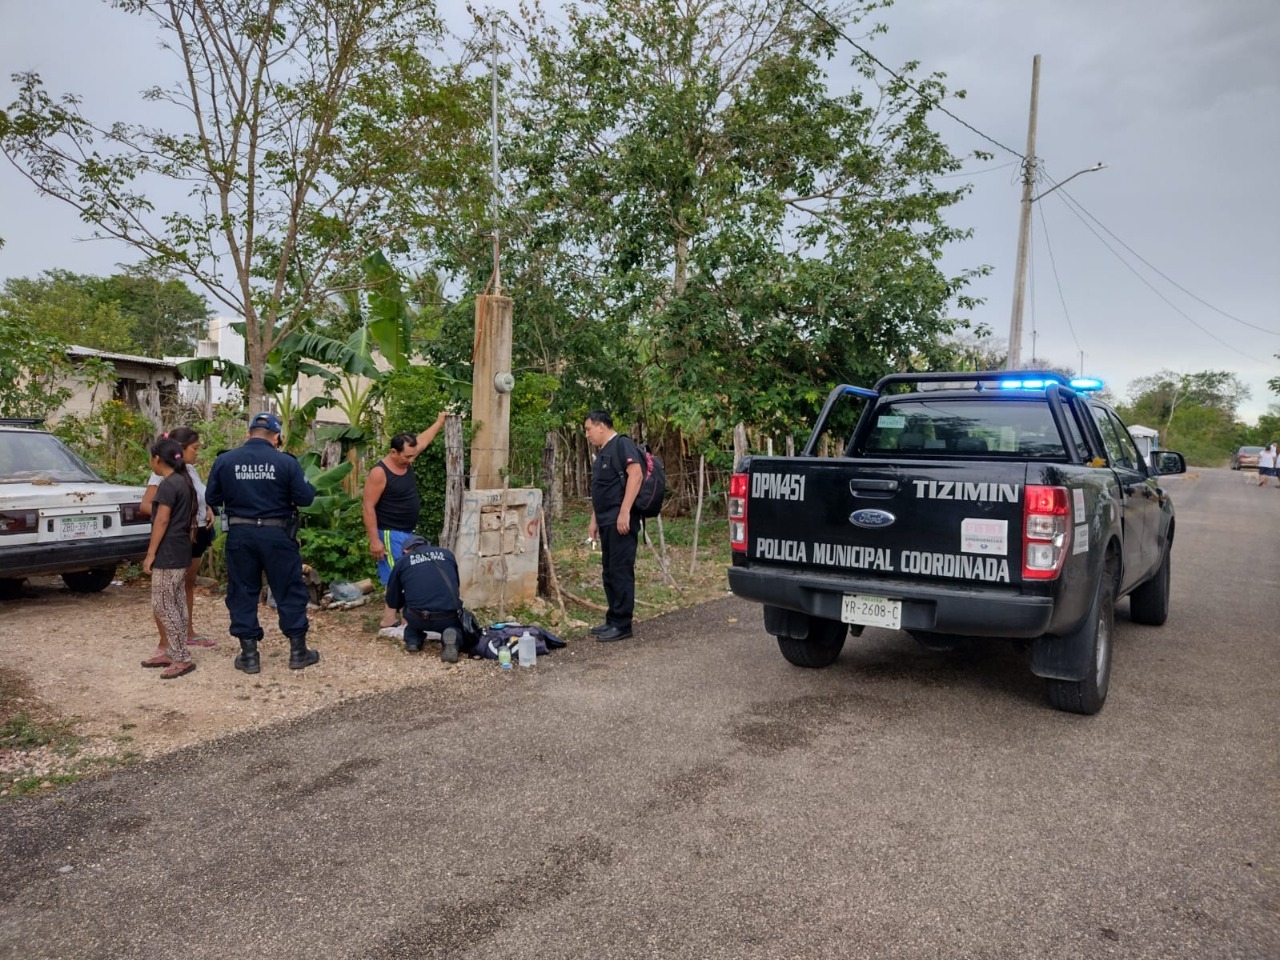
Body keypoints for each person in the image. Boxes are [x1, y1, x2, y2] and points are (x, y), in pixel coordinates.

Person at [205, 411, 319, 674]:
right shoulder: (286, 463)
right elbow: (306, 499)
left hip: (240, 535)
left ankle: (249, 656)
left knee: (243, 591)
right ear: (276, 437)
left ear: (248, 434)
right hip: (277, 535)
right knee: (289, 589)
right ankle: (298, 652)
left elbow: (213, 496)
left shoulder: (226, 461)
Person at [362, 411, 448, 630]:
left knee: (408, 572)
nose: (411, 460)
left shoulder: (406, 458)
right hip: (389, 533)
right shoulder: (379, 473)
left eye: (412, 456)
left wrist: (438, 422)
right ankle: (391, 619)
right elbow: (368, 506)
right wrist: (375, 540)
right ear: (393, 452)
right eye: (407, 457)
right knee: (395, 576)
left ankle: (401, 619)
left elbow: (423, 441)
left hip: (407, 531)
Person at [139, 426, 216, 650]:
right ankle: (166, 642)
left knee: (186, 585)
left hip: (198, 532)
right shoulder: (162, 474)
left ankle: (186, 633)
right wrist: (174, 516)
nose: (197, 452)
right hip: (181, 534)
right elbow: (147, 505)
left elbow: (196, 497)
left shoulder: (190, 470)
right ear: (180, 450)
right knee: (167, 592)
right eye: (195, 448)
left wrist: (207, 508)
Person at [140, 437, 199, 680]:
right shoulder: (182, 481)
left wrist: (151, 553)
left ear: (156, 459)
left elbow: (162, 520)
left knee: (163, 604)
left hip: (169, 551)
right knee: (175, 601)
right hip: (181, 548)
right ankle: (172, 650)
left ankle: (181, 656)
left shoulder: (167, 485)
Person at [584, 409, 644, 642]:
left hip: (621, 521)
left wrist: (625, 511)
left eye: (589, 429)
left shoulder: (622, 444)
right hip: (607, 520)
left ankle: (622, 624)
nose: (587, 435)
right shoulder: (602, 453)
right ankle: (612, 619)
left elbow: (636, 474)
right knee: (609, 570)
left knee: (620, 571)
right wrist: (594, 520)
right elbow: (602, 489)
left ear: (601, 426)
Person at [383, 535, 465, 661]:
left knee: (412, 625)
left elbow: (393, 601)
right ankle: (452, 636)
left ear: (405, 551)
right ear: (428, 545)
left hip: (417, 617)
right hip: (447, 616)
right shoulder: (447, 554)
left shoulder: (403, 561)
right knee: (456, 627)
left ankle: (413, 640)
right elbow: (456, 586)